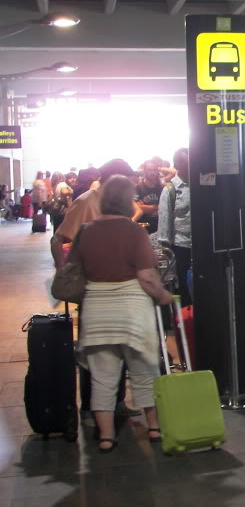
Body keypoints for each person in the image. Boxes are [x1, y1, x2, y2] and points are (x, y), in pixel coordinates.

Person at [68, 175, 172, 452]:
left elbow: (74, 267)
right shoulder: (134, 231)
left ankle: (105, 436)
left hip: (97, 310)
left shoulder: (86, 231)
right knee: (145, 373)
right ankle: (153, 428)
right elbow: (147, 277)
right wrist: (163, 296)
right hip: (132, 311)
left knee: (103, 379)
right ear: (127, 200)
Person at [52, 158, 144, 424]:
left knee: (118, 350)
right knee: (95, 352)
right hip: (93, 289)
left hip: (120, 287)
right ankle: (92, 409)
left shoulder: (116, 203)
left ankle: (115, 403)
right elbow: (59, 238)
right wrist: (65, 272)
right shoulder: (86, 201)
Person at [158, 148, 192, 306]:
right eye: (187, 162)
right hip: (181, 247)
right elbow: (164, 221)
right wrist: (167, 248)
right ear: (178, 165)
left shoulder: (200, 184)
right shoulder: (170, 190)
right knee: (185, 288)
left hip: (201, 245)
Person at [135, 160, 164, 234]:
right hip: (144, 228)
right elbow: (138, 208)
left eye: (154, 170)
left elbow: (165, 208)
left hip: (159, 228)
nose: (152, 172)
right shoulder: (137, 188)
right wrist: (158, 208)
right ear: (144, 171)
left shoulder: (161, 188)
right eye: (149, 170)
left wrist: (145, 207)